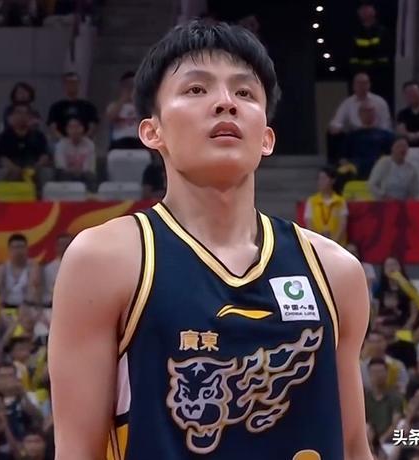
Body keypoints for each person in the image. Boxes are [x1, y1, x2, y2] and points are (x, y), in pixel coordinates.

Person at [49, 20, 372, 459]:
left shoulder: (335, 271)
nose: (226, 102)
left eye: (245, 93)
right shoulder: (104, 260)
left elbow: (353, 447)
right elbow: (77, 452)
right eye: (197, 89)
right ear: (152, 132)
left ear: (267, 138)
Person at [302, 167, 348, 245]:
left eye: (324, 178)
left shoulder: (340, 201)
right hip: (317, 244)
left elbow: (343, 224)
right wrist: (318, 242)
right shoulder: (312, 201)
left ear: (333, 180)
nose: (321, 182)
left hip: (337, 244)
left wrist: (333, 242)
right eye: (319, 179)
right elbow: (309, 224)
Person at [367, 136, 419, 200]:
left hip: (404, 203)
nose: (402, 149)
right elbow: (372, 185)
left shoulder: (411, 168)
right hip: (384, 201)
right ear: (392, 148)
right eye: (399, 146)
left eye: (405, 147)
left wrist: (408, 201)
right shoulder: (383, 163)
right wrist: (384, 197)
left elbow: (415, 191)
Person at [105, 71, 144, 149]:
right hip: (119, 141)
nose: (130, 88)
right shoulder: (114, 105)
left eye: (133, 85)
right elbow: (110, 117)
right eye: (127, 85)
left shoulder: (142, 105)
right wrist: (123, 98)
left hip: (138, 141)